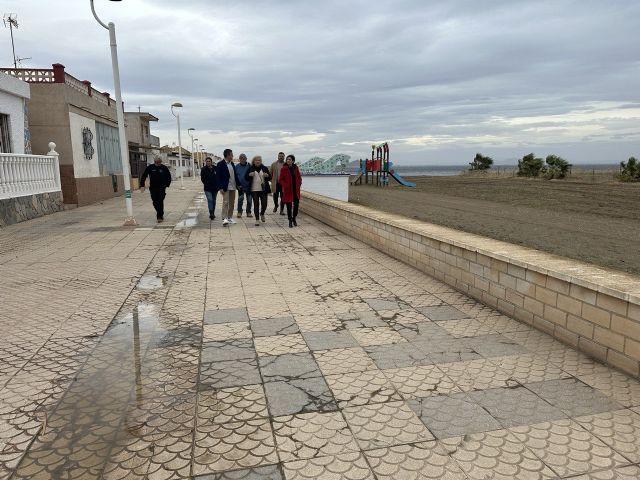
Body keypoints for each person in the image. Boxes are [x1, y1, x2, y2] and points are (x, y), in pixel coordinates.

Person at [140, 156, 172, 223]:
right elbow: (144, 175)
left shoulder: (164, 168)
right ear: (154, 162)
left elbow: (168, 176)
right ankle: (160, 212)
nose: (158, 163)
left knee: (160, 201)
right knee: (155, 201)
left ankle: (159, 216)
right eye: (156, 162)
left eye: (159, 162)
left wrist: (167, 185)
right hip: (153, 188)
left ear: (161, 162)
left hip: (162, 187)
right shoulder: (150, 167)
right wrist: (142, 185)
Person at [216, 148, 241, 226]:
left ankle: (229, 217)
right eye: (231, 155)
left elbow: (235, 176)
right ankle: (224, 219)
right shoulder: (220, 164)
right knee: (225, 202)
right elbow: (218, 177)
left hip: (233, 187)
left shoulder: (232, 164)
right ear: (227, 155)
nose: (232, 156)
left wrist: (239, 184)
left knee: (232, 203)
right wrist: (220, 187)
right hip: (225, 187)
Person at [245, 155, 271, 226]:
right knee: (256, 204)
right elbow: (246, 177)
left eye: (259, 160)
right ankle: (257, 219)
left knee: (264, 204)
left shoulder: (264, 168)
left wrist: (267, 176)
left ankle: (262, 213)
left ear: (261, 161)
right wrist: (249, 175)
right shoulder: (250, 168)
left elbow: (270, 177)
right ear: (254, 161)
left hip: (263, 189)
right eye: (256, 160)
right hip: (254, 189)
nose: (258, 161)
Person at [278, 154, 302, 228]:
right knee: (289, 206)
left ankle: (294, 218)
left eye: (290, 159)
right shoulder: (283, 169)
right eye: (287, 159)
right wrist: (285, 185)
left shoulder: (296, 168)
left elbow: (299, 177)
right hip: (288, 190)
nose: (288, 160)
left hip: (296, 190)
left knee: (296, 206)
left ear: (293, 161)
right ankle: (290, 221)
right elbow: (280, 180)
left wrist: (299, 183)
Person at [235, 153, 252, 218]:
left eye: (244, 158)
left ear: (246, 159)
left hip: (248, 186)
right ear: (239, 159)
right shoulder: (237, 166)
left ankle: (248, 212)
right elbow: (235, 176)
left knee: (249, 199)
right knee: (240, 199)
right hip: (240, 186)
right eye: (241, 158)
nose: (242, 160)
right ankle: (239, 212)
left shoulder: (249, 166)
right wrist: (237, 185)